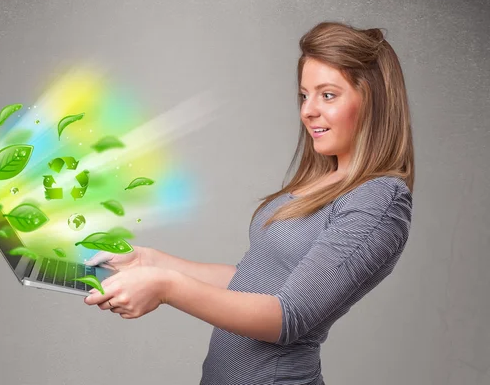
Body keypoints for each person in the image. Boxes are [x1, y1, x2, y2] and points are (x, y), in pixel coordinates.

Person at [83, 21, 415, 385]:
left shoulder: (379, 200)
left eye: (328, 95)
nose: (308, 111)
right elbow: (251, 282)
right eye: (304, 95)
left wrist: (166, 287)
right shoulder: (322, 179)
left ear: (373, 98)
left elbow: (288, 317)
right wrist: (150, 260)